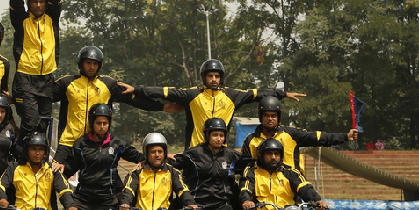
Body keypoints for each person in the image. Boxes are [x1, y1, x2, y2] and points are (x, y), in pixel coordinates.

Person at [131, 59, 306, 148]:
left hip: (221, 152)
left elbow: (257, 93)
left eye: (217, 76)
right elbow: (162, 91)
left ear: (221, 78)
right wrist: (136, 89)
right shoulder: (192, 94)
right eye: (210, 76)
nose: (214, 79)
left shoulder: (232, 95)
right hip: (195, 152)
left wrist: (282, 94)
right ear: (204, 77)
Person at [52, 46, 168, 155]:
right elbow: (44, 97)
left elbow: (134, 100)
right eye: (88, 63)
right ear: (81, 63)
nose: (92, 67)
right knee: (59, 174)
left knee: (94, 176)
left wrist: (162, 107)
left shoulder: (108, 84)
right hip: (68, 142)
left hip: (96, 143)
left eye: (95, 63)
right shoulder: (66, 82)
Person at [9, 0, 61, 140]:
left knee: (44, 123)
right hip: (25, 79)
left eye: (41, 1)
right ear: (28, 3)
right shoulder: (21, 20)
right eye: (34, 1)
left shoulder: (52, 18)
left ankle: (41, 165)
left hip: (47, 78)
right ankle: (24, 162)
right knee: (30, 123)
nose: (38, 5)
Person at [239, 96, 357, 174]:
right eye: (266, 115)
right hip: (262, 190)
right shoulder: (250, 140)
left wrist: (345, 136)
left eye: (273, 116)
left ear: (278, 117)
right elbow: (245, 167)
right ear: (261, 116)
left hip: (290, 187)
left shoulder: (291, 134)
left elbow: (317, 137)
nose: (270, 119)